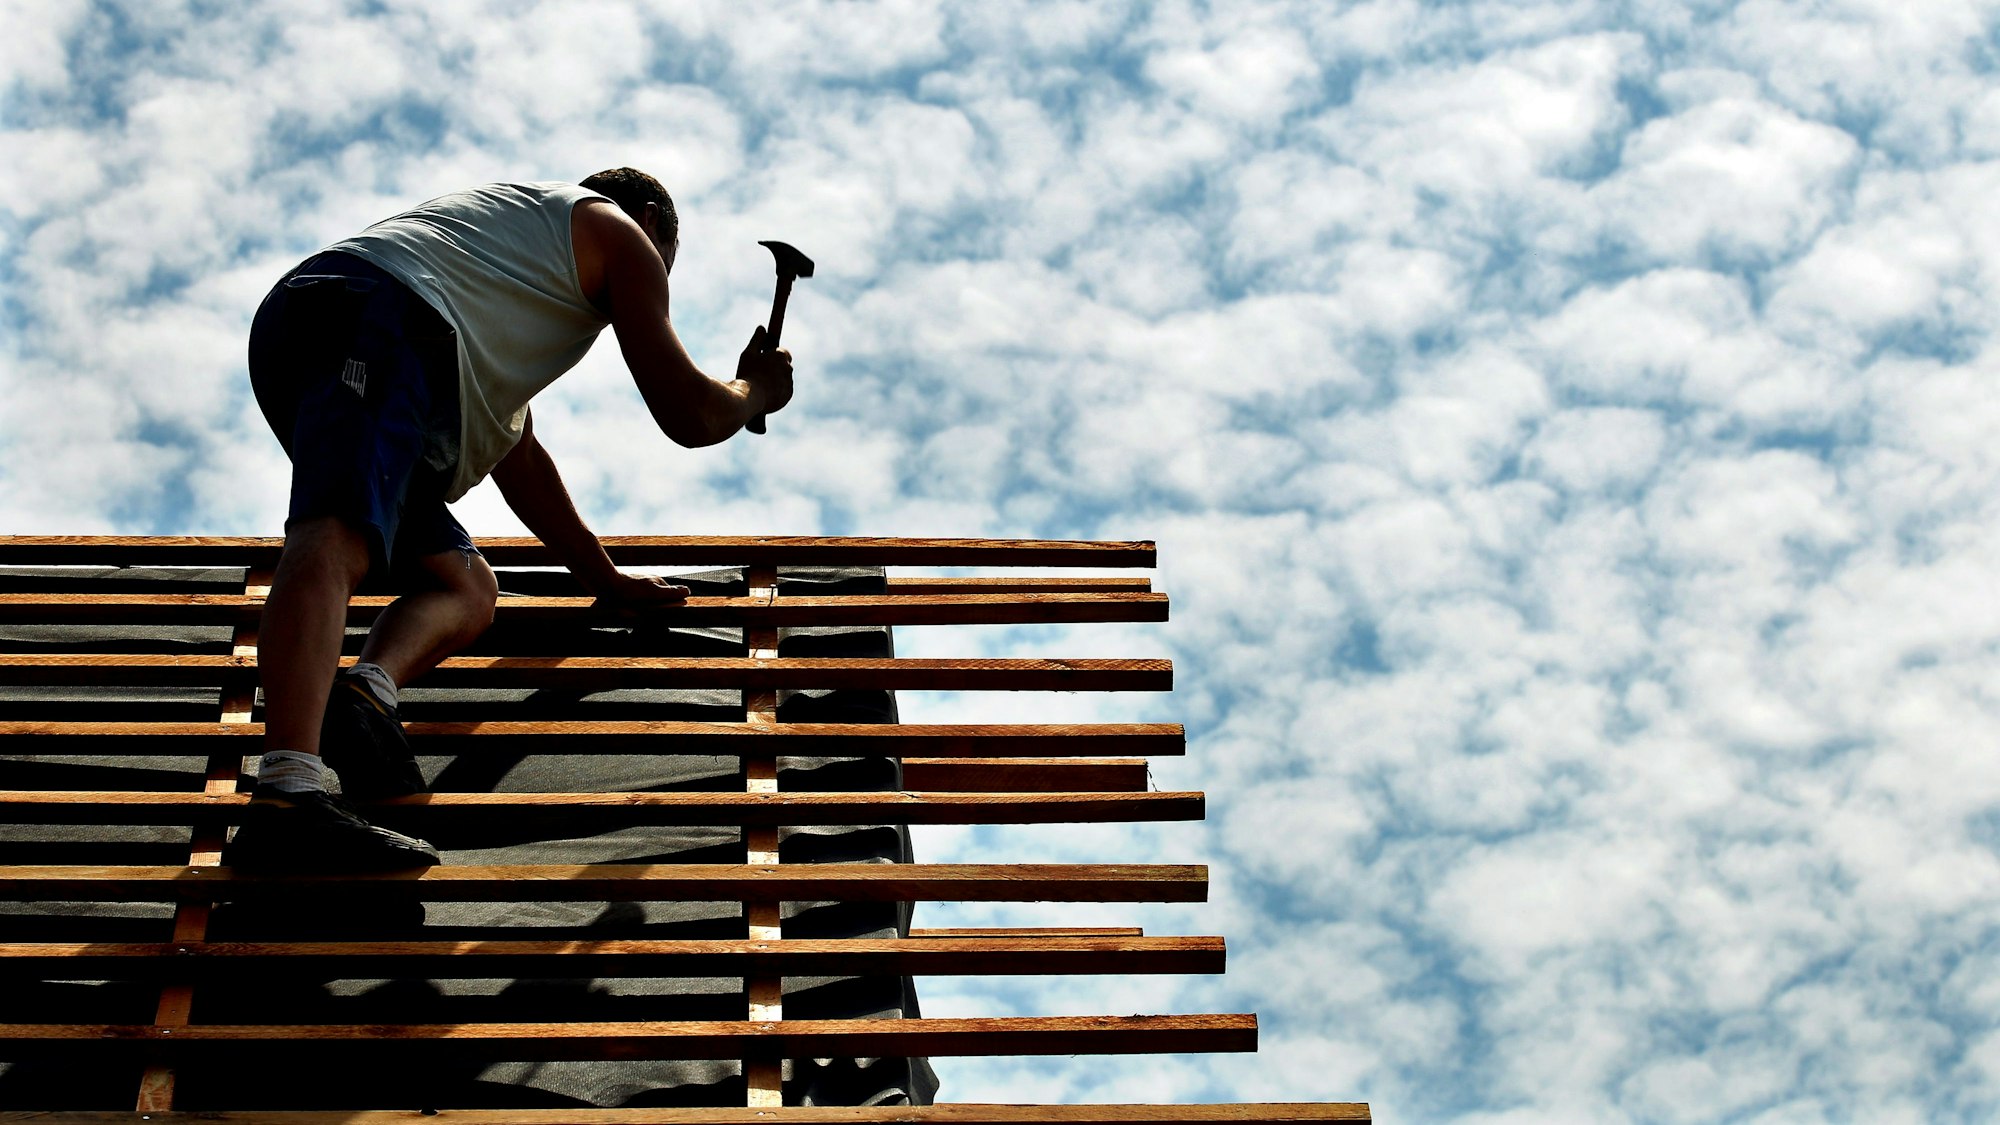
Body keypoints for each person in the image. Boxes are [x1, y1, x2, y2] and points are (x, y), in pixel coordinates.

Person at [228, 169, 792, 871]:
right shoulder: (616, 231)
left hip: (327, 326)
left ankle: (365, 696)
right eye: (666, 262)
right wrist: (754, 390)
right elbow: (690, 414)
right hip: (377, 318)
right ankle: (286, 792)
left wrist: (603, 577)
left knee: (467, 587)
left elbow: (519, 458)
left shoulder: (503, 268)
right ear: (650, 219)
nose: (657, 281)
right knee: (337, 532)